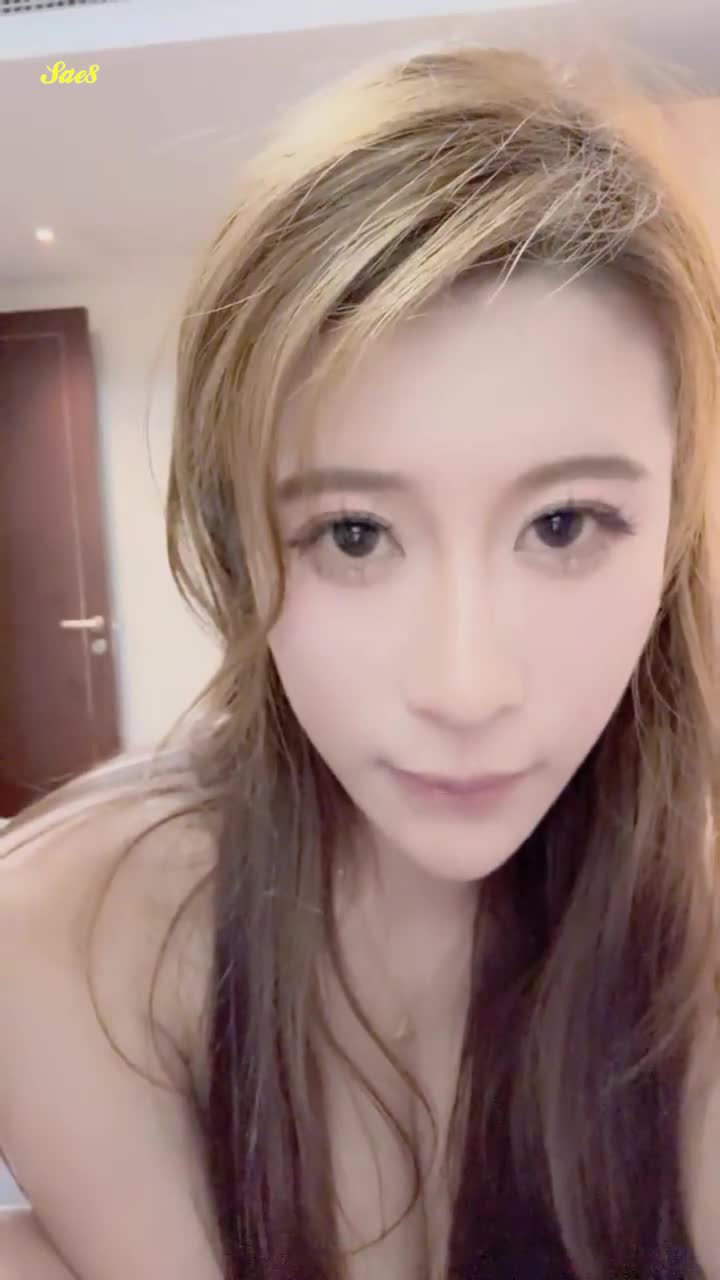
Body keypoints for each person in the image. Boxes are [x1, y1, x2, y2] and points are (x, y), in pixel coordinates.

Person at [1, 41, 719, 1280]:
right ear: (240, 547)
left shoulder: (692, 924)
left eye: (563, 524)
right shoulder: (65, 940)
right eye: (353, 533)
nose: (464, 686)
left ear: (673, 528)